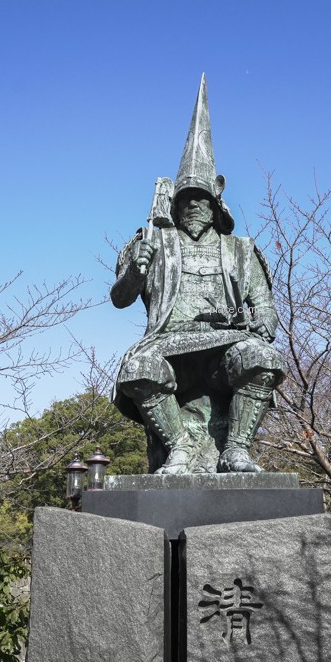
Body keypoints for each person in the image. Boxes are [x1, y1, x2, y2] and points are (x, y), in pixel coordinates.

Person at [111, 76, 284, 474]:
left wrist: (261, 323)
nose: (192, 205)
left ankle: (236, 450)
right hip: (169, 345)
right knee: (137, 367)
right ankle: (178, 449)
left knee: (262, 356)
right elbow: (120, 298)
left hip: (224, 348)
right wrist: (136, 269)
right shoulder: (153, 241)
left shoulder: (240, 249)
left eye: (200, 198)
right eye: (185, 198)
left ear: (215, 201)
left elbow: (266, 308)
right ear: (173, 203)